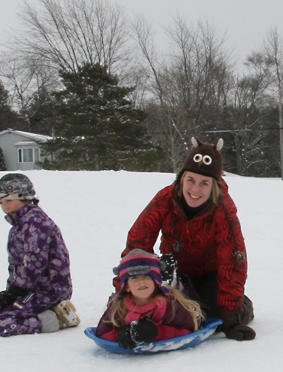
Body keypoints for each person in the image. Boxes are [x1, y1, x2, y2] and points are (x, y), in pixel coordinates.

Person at [124, 137, 254, 341]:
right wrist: (125, 291)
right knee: (166, 311)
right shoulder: (165, 199)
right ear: (181, 179)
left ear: (214, 185)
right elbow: (138, 243)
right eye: (190, 180)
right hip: (174, 269)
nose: (195, 190)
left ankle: (241, 304)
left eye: (204, 183)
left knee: (212, 317)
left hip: (212, 274)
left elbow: (233, 258)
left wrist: (231, 317)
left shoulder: (223, 209)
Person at [0, 173, 79, 336]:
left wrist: (15, 292)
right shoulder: (18, 225)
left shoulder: (36, 222)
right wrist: (9, 292)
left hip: (48, 291)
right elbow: (17, 264)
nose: (5, 207)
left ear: (25, 198)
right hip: (26, 290)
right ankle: (38, 313)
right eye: (1, 202)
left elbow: (35, 260)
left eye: (9, 201)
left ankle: (56, 318)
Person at [95, 250, 204, 349]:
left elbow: (188, 331)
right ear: (126, 286)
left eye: (146, 277)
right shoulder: (119, 307)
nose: (141, 282)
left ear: (156, 282)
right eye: (134, 278)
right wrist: (121, 335)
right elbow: (102, 335)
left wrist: (158, 333)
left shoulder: (170, 304)